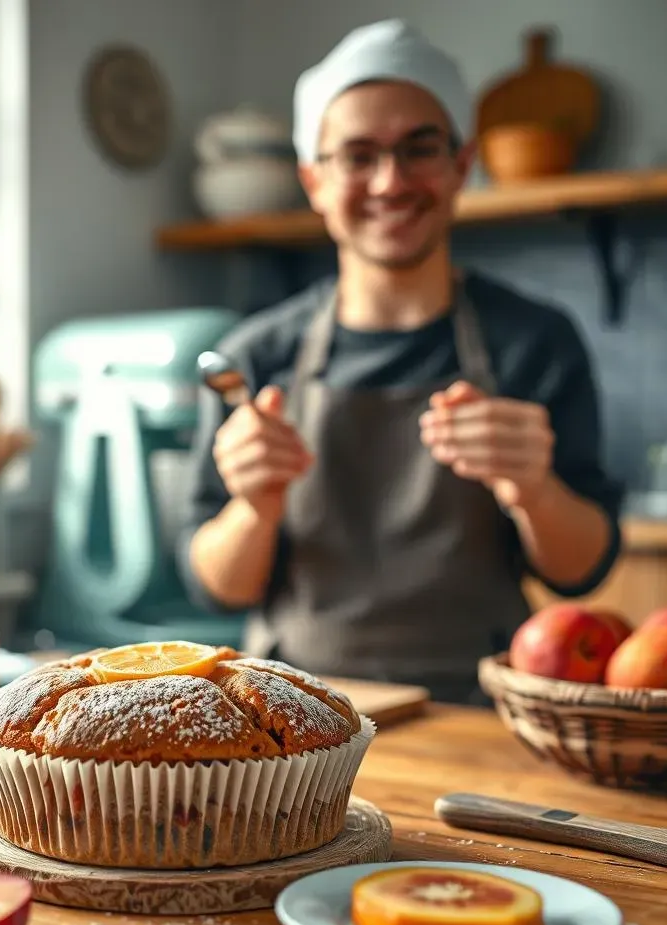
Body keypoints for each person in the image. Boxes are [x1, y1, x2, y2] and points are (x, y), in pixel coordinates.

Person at [176, 19, 624, 704]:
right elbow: (215, 586)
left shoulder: (534, 340)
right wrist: (254, 507)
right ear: (314, 180)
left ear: (460, 165)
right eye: (358, 156)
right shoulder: (252, 360)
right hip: (293, 717)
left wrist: (534, 488)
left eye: (420, 148)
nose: (390, 181)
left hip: (481, 713)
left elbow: (582, 569)